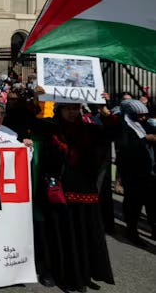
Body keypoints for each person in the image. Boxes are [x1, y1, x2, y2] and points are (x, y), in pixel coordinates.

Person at [40, 102, 114, 292]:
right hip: (62, 189)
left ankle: (85, 274)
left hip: (86, 189)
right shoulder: (51, 129)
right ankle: (68, 277)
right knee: (66, 233)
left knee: (86, 232)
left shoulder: (90, 130)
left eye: (76, 108)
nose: (73, 112)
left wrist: (104, 111)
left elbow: (112, 134)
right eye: (68, 108)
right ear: (60, 110)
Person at [115, 99, 156, 244]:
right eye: (140, 115)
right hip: (132, 173)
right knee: (134, 204)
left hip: (149, 171)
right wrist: (145, 139)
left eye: (145, 115)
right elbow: (125, 146)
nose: (143, 118)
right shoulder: (123, 126)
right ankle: (131, 231)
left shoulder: (146, 124)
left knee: (152, 203)